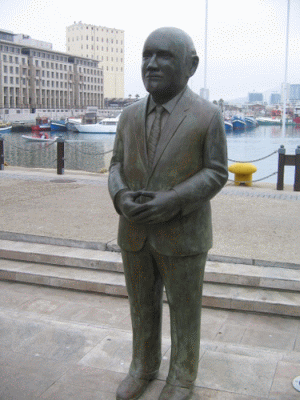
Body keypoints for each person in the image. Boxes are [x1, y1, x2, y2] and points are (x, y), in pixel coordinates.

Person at [108, 27, 228, 400]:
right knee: (141, 305)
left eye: (164, 56)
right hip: (135, 231)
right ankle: (143, 366)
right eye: (147, 56)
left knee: (184, 308)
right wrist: (120, 196)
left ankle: (182, 376)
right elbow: (115, 165)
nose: (152, 64)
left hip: (183, 232)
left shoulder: (207, 116)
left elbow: (217, 171)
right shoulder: (128, 115)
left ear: (190, 65)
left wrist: (173, 199)